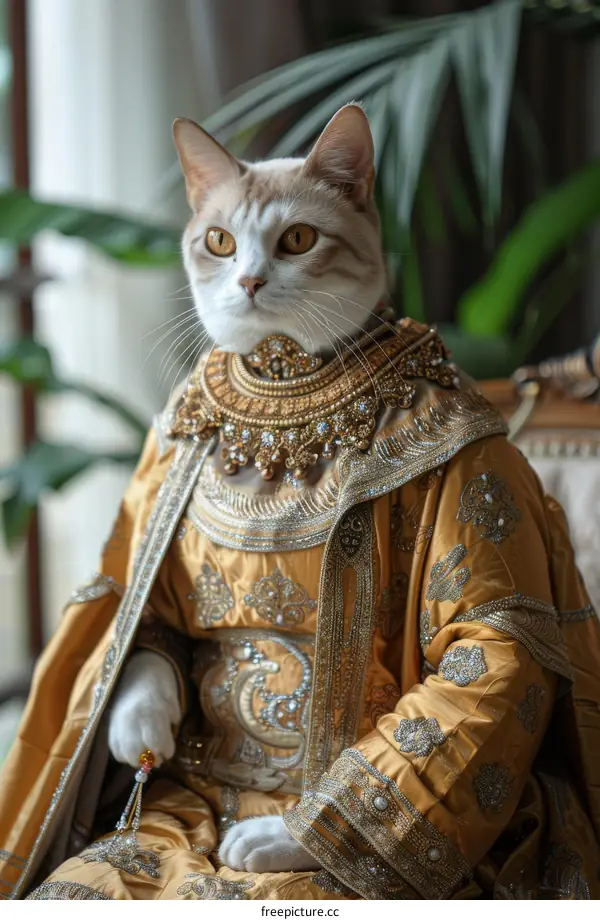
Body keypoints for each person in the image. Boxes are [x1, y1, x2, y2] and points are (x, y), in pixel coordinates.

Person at [1, 105, 599, 901]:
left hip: (387, 825)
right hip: (190, 804)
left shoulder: (445, 433)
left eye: (293, 240)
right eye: (221, 243)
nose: (247, 274)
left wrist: (341, 824)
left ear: (355, 198)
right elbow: (147, 604)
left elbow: (497, 660)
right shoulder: (189, 420)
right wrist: (147, 668)